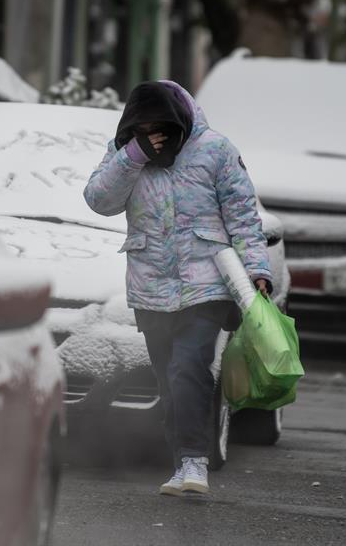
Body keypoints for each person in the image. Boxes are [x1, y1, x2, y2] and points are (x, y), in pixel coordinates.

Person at [83, 80, 272, 496]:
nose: (153, 135)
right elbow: (99, 199)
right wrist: (133, 155)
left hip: (206, 283)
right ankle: (181, 461)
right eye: (142, 126)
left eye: (160, 126)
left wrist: (258, 269)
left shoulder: (216, 150)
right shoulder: (125, 150)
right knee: (170, 381)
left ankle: (194, 463)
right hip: (150, 284)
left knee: (190, 366)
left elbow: (243, 216)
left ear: (178, 121)